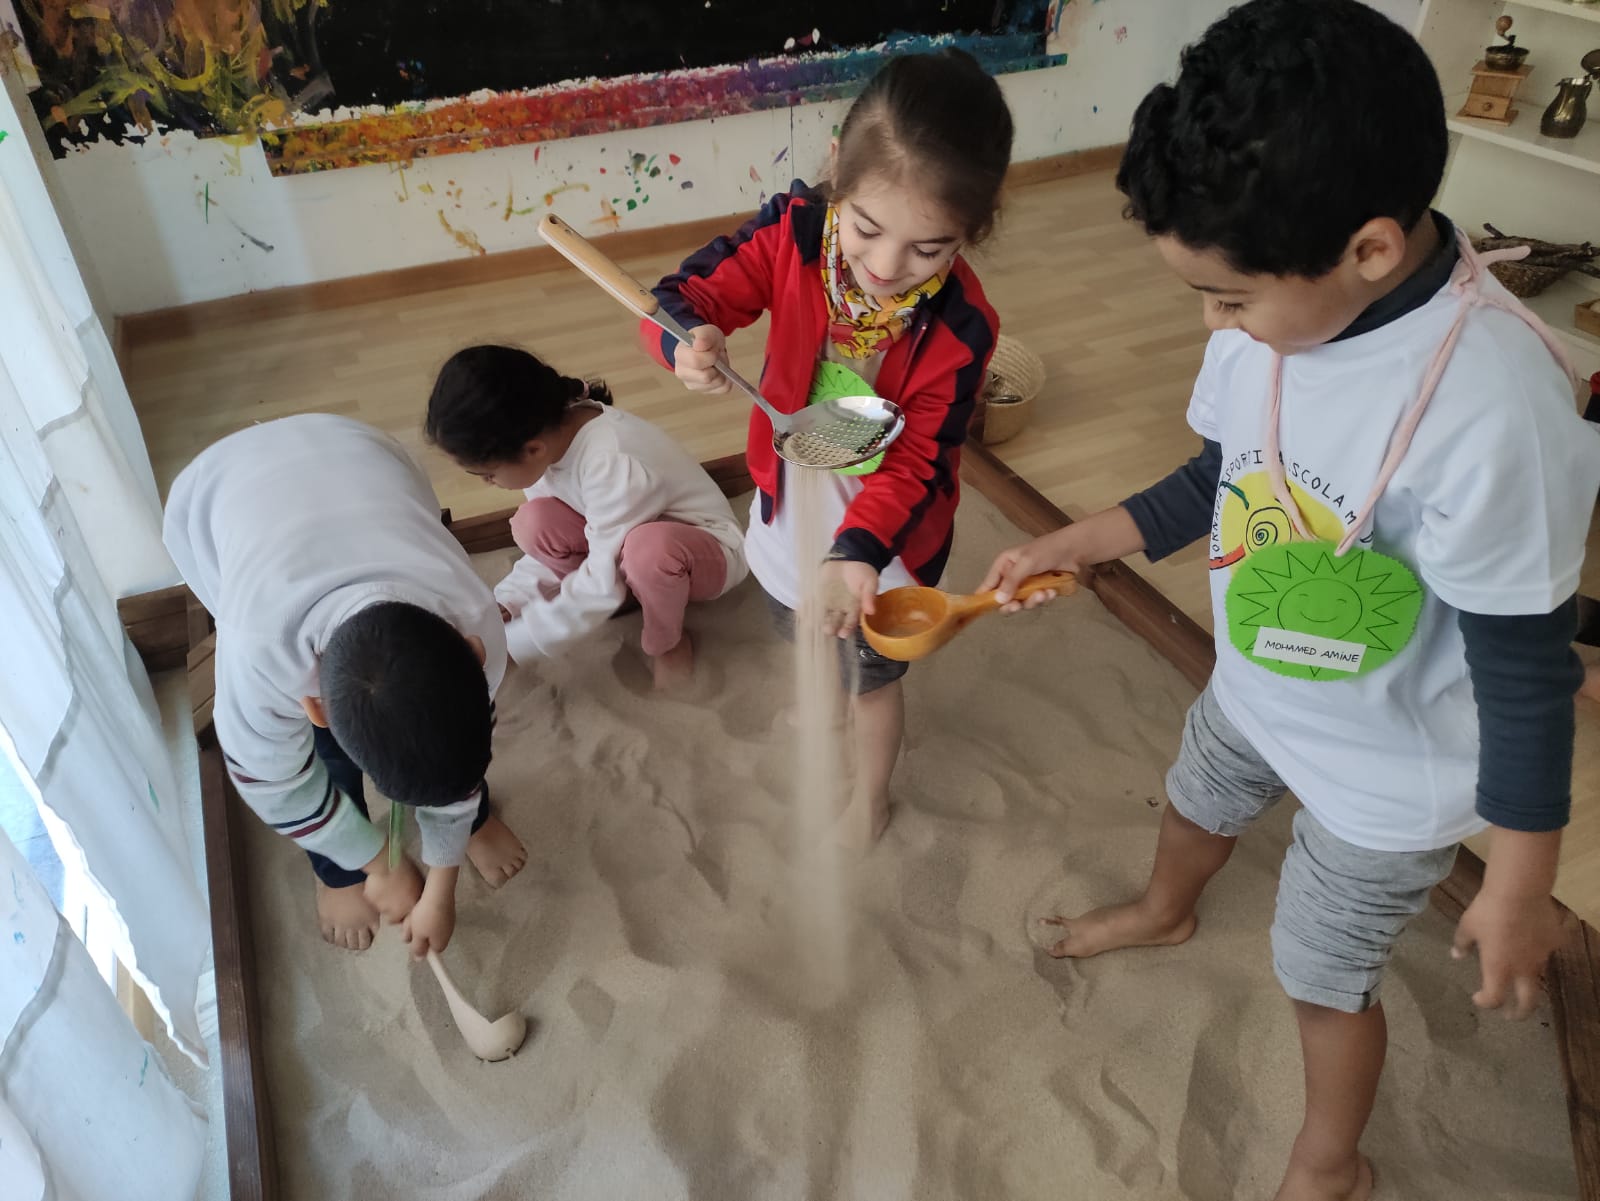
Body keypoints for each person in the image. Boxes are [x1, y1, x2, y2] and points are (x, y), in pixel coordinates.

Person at [980, 3, 1600, 1198]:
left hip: (1391, 769)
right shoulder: (1269, 316)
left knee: (1322, 971)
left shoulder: (1494, 409)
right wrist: (1089, 536)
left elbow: (1525, 671)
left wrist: (1520, 884)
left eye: (1226, 299)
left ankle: (1329, 1162)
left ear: (1368, 250)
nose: (1212, 324)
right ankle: (1166, 908)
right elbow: (1224, 474)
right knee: (1194, 798)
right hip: (1260, 676)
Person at [642, 47, 1013, 843]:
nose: (885, 267)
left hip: (885, 543)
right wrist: (684, 341)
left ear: (973, 231)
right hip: (789, 508)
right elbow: (680, 297)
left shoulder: (962, 327)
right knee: (797, 623)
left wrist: (856, 554)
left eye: (929, 248)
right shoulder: (794, 232)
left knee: (871, 681)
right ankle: (821, 707)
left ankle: (869, 796)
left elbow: (918, 463)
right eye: (868, 229)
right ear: (837, 168)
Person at [163, 414, 528, 956]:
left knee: (445, 749)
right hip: (212, 493)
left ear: (473, 653)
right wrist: (373, 862)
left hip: (359, 449)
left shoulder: (475, 615)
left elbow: (458, 759)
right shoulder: (258, 656)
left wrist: (441, 883)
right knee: (334, 761)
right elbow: (278, 787)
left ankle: (471, 822)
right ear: (314, 708)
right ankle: (335, 875)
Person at [425, 345, 747, 689]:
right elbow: (576, 552)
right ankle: (625, 597)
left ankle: (667, 642)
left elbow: (602, 577)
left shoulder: (612, 462)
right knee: (534, 522)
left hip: (704, 551)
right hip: (620, 545)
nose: (489, 483)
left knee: (647, 551)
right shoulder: (544, 444)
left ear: (532, 449)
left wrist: (515, 646)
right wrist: (510, 600)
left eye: (488, 474)